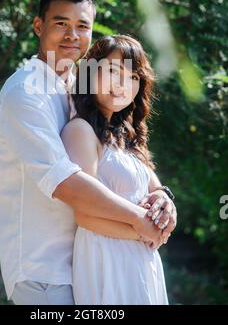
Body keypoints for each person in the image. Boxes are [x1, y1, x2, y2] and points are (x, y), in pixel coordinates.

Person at [0, 0, 176, 305]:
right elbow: (66, 182)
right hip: (44, 270)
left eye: (82, 26)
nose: (72, 35)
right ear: (38, 26)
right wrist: (139, 222)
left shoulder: (80, 88)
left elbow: (125, 155)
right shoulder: (25, 93)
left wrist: (162, 196)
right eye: (61, 23)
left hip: (86, 265)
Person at [62, 34, 169, 304]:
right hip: (106, 258)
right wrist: (143, 231)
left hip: (140, 259)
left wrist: (167, 202)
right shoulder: (80, 131)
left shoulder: (125, 137)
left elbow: (155, 188)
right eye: (113, 71)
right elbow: (85, 214)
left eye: (134, 77)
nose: (123, 84)